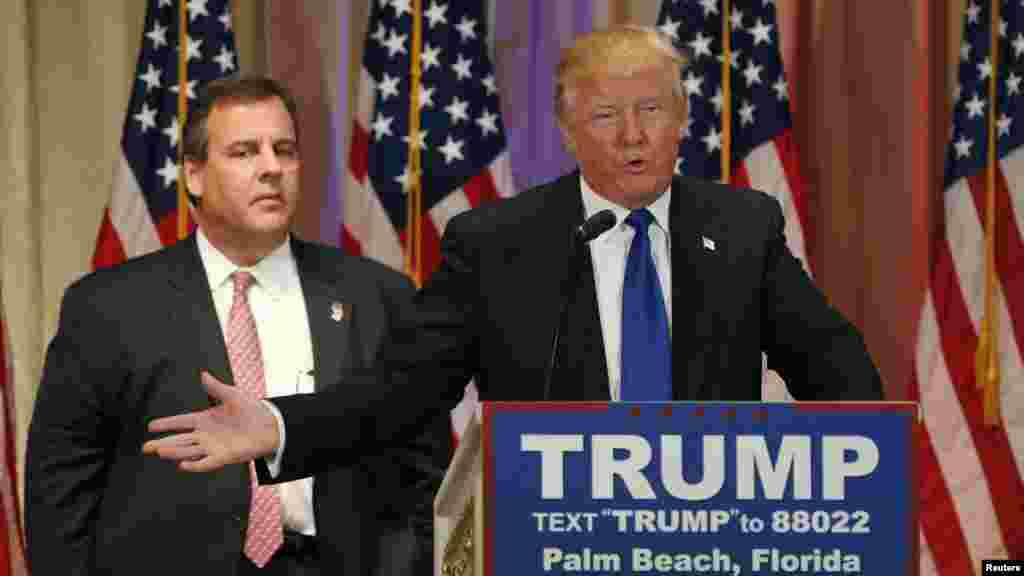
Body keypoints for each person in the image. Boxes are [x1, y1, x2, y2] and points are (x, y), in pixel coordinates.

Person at [143, 26, 883, 479]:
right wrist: (280, 425)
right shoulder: (497, 244)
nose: (633, 136)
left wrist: (873, 455)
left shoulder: (744, 227)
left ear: (683, 119)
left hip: (708, 539)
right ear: (567, 128)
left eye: (652, 111)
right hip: (552, 544)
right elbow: (401, 392)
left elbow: (836, 368)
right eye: (605, 115)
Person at [25, 75, 448, 576]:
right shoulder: (108, 308)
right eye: (245, 152)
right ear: (194, 175)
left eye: (284, 150)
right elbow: (60, 495)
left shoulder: (379, 297)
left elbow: (427, 478)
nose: (272, 168)